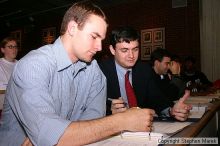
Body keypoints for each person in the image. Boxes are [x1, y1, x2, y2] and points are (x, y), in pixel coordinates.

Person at [0, 2, 154, 146]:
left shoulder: (94, 71)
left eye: (101, 39)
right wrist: (120, 121)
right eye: (94, 37)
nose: (100, 47)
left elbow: (92, 126)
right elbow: (51, 137)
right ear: (72, 28)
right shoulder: (33, 66)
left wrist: (62, 136)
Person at [99, 26, 191, 121]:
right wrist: (109, 114)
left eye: (135, 49)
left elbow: (157, 100)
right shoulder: (100, 72)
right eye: (124, 50)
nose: (131, 56)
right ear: (112, 50)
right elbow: (88, 112)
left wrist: (172, 111)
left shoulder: (144, 70)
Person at [0, 37, 18, 117]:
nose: (14, 49)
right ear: (3, 50)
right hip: (3, 108)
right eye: (10, 47)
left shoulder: (20, 64)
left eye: (15, 46)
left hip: (17, 107)